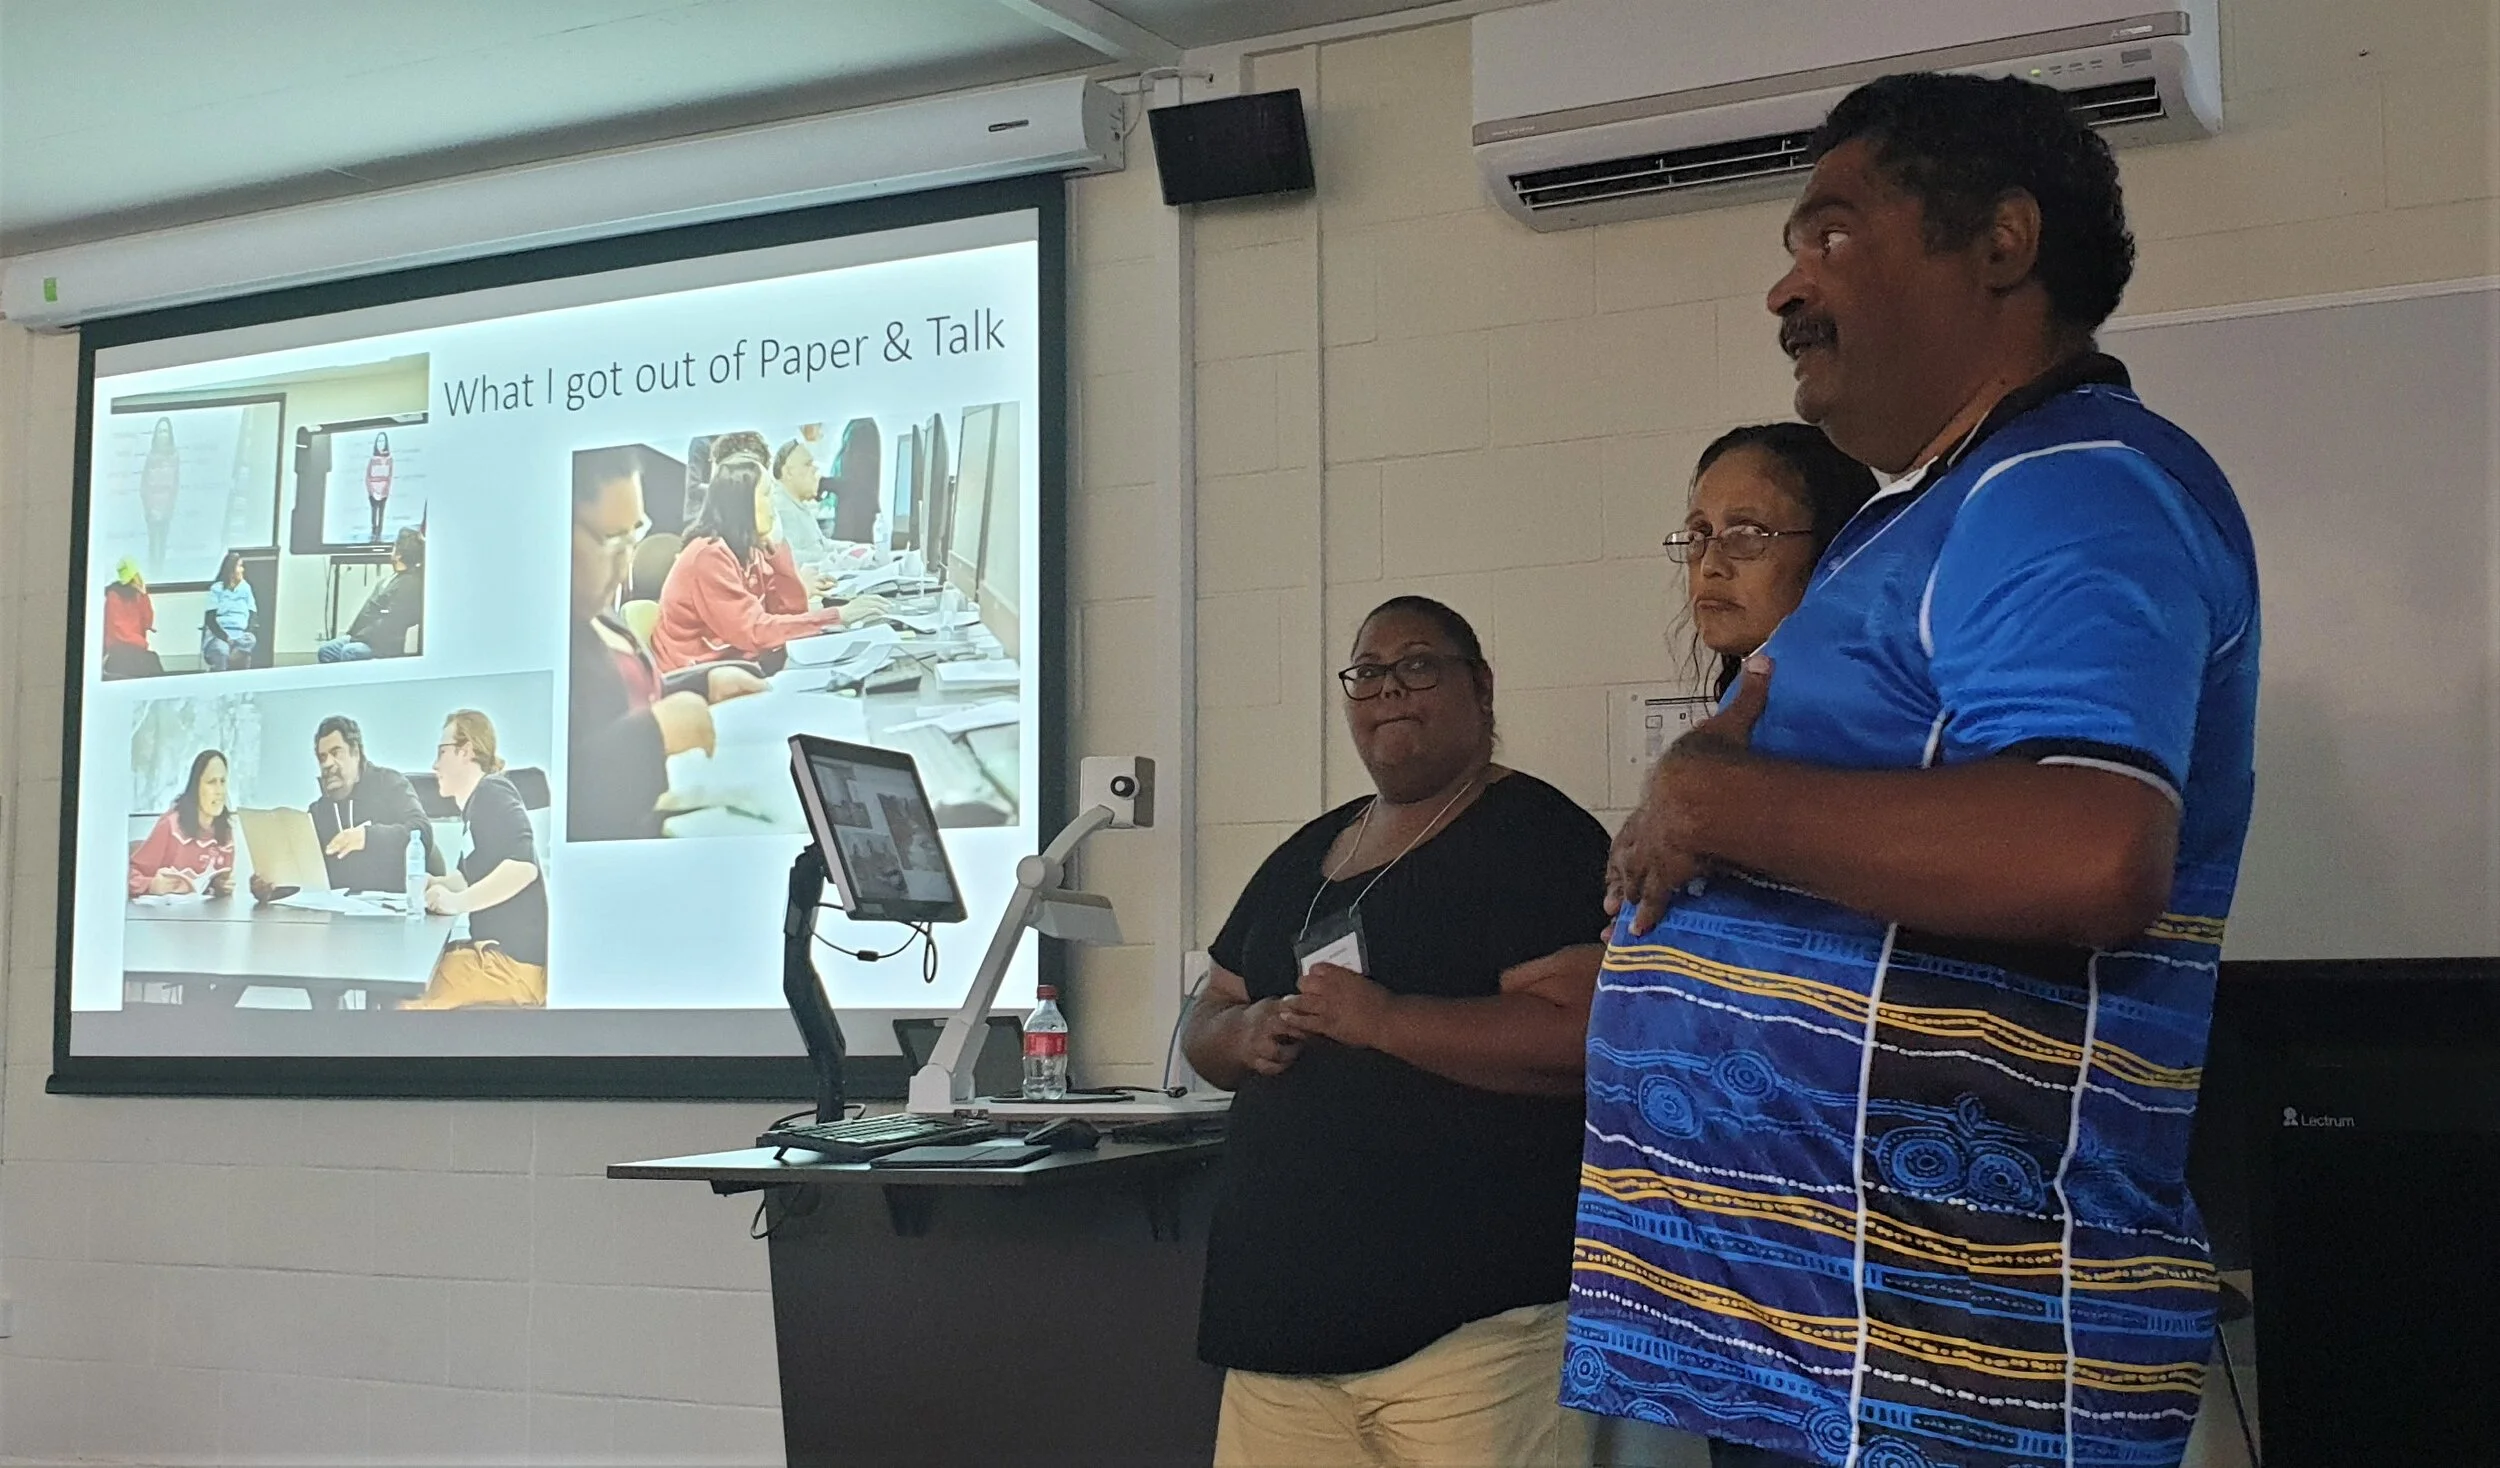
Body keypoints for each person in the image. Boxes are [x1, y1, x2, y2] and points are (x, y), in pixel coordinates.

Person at [1570, 74, 2261, 1468]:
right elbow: (1767, 761)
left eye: (1830, 235)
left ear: (2002, 243)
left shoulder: (2068, 485)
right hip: (1816, 1351)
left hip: (1942, 1372)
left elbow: (2089, 847)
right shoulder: (1925, 513)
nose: (1785, 288)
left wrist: (1709, 800)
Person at [1182, 596, 1610, 1468]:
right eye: (1367, 673)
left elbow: (1581, 1038)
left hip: (1475, 1336)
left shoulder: (1537, 833)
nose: (1388, 691)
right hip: (1280, 1336)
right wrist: (1245, 1032)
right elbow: (1206, 1015)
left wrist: (1387, 1020)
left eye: (1417, 665)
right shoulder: (1306, 852)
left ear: (1480, 687)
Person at [567, 446, 768, 841]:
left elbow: (638, 695)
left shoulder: (597, 610)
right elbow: (554, 788)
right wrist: (653, 735)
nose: (625, 564)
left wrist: (704, 684)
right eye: (612, 539)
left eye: (634, 534)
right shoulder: (542, 638)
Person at [1668, 423, 1877, 700]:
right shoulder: (1754, 703)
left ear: (1832, 550)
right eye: (1699, 533)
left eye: (1747, 534)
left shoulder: (1866, 709)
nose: (1710, 566)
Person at [649, 455, 881, 674]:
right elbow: (755, 631)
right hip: (695, 674)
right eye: (767, 495)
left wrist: (777, 548)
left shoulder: (747, 547)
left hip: (734, 663)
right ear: (743, 504)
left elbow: (789, 611)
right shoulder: (709, 555)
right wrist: (837, 615)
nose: (773, 506)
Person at [403, 710, 548, 1009]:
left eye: (442, 752)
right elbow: (467, 877)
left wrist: (456, 902)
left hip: (511, 968)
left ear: (466, 751)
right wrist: (436, 883)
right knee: (412, 981)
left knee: (405, 1001)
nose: (434, 765)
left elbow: (523, 869)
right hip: (498, 959)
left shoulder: (493, 791)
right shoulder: (477, 805)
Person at [249, 715, 441, 897]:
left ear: (355, 753)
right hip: (340, 912)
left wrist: (367, 837)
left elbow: (422, 832)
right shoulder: (318, 812)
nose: (327, 764)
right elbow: (309, 880)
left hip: (396, 908)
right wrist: (273, 889)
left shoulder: (390, 784)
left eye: (336, 753)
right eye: (322, 757)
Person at [127, 749, 236, 898]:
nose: (219, 791)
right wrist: (151, 885)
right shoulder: (170, 825)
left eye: (222, 781)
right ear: (196, 787)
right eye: (211, 782)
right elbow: (127, 875)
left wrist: (221, 886)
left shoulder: (226, 832)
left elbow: (218, 886)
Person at [319, 528, 425, 662]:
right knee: (327, 651)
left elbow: (392, 622)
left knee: (350, 651)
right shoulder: (393, 578)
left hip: (381, 644)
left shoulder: (409, 584)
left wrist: (360, 637)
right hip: (363, 637)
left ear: (399, 554)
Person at [770, 438, 835, 569]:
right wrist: (832, 558)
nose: (815, 469)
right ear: (788, 472)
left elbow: (822, 544)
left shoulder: (797, 504)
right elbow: (789, 558)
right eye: (807, 464)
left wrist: (853, 548)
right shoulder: (781, 509)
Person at [100, 560, 163, 680]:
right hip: (122, 650)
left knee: (152, 664)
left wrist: (143, 594)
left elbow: (147, 622)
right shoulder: (115, 596)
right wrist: (141, 643)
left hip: (133, 649)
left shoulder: (136, 595)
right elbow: (119, 631)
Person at [201, 551, 257, 672]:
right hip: (220, 634)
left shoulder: (246, 588)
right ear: (231, 570)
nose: (242, 570)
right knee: (222, 650)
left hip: (240, 634)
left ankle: (234, 657)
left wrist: (246, 630)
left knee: (250, 640)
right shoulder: (217, 589)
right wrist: (225, 637)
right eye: (239, 566)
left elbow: (252, 613)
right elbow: (210, 618)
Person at [139, 416, 179, 571]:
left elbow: (175, 485)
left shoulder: (175, 457)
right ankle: (152, 570)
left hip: (166, 509)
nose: (163, 435)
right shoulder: (150, 457)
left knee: (162, 541)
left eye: (166, 431)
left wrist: (168, 509)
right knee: (153, 541)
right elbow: (144, 485)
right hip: (151, 508)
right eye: (161, 431)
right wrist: (149, 508)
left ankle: (160, 571)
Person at [364, 431, 394, 543]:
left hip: (383, 490)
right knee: (374, 511)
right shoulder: (372, 460)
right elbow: (367, 476)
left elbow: (390, 476)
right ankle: (374, 531)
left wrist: (386, 489)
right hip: (373, 490)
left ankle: (379, 532)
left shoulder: (389, 460)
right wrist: (370, 489)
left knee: (381, 512)